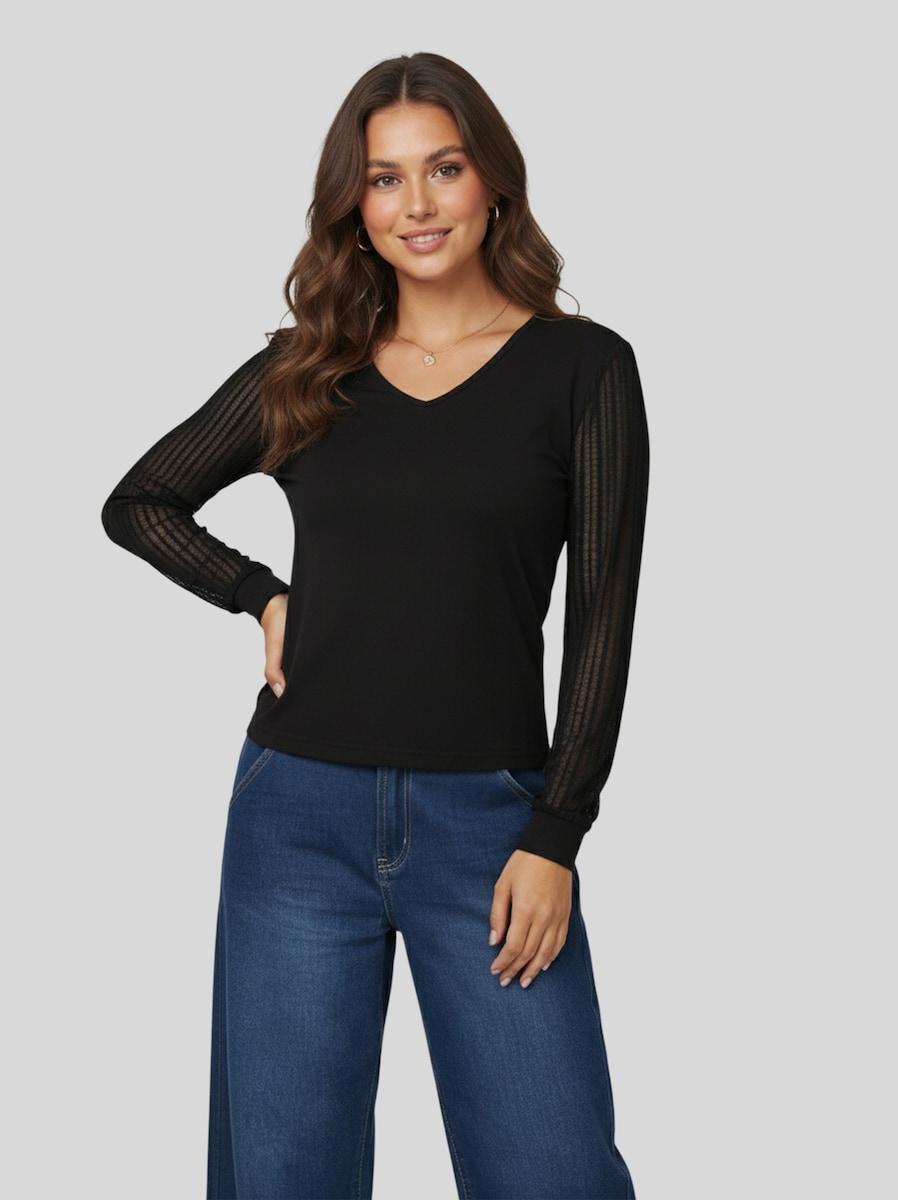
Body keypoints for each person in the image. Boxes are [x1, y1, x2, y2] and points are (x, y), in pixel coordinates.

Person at [101, 51, 648, 1200]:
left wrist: (557, 833)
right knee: (282, 1178)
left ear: (492, 180)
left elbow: (604, 622)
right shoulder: (309, 371)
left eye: (443, 168)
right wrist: (261, 594)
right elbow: (141, 502)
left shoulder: (583, 370)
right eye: (385, 178)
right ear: (355, 204)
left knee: (553, 1175)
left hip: (493, 832)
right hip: (296, 817)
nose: (417, 204)